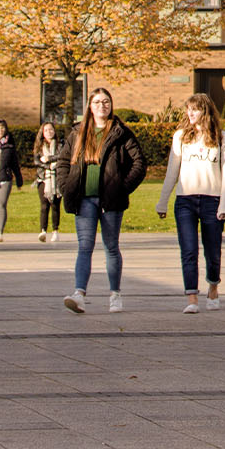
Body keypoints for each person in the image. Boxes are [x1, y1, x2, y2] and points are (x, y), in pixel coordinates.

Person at [56, 88, 148, 314]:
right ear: (89, 106)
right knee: (84, 247)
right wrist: (65, 186)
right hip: (84, 199)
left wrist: (122, 188)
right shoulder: (78, 133)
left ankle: (115, 294)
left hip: (110, 201)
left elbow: (139, 164)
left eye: (105, 102)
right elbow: (63, 162)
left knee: (111, 247)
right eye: (97, 102)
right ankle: (79, 294)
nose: (101, 106)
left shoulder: (121, 132)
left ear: (111, 105)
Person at [157, 93, 225, 314]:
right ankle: (192, 297)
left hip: (212, 201)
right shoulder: (180, 136)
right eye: (188, 109)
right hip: (185, 202)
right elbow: (172, 171)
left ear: (205, 111)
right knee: (188, 250)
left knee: (213, 250)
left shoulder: (221, 137)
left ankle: (213, 286)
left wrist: (224, 206)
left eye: (195, 109)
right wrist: (162, 202)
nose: (190, 113)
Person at [33, 122, 64, 243]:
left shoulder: (60, 145)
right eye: (46, 130)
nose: (49, 132)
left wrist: (49, 159)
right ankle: (43, 230)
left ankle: (55, 230)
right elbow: (36, 161)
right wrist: (47, 166)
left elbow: (62, 156)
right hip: (43, 178)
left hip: (57, 178)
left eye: (51, 130)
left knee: (55, 205)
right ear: (42, 133)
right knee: (44, 205)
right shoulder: (39, 146)